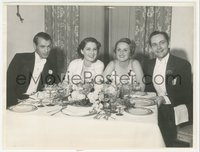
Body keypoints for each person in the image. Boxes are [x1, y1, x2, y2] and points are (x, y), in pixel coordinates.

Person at [144, 31, 193, 147]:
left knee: (161, 130)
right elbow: (149, 88)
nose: (159, 47)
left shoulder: (182, 64)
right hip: (157, 105)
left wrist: (163, 99)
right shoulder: (148, 64)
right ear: (151, 48)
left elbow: (186, 95)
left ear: (168, 43)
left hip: (175, 107)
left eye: (162, 43)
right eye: (154, 44)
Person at [7, 32, 58, 108]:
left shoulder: (52, 65)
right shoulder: (20, 59)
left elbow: (50, 88)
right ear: (35, 46)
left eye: (49, 46)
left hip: (37, 104)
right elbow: (7, 84)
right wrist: (12, 105)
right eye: (42, 47)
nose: (46, 50)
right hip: (16, 102)